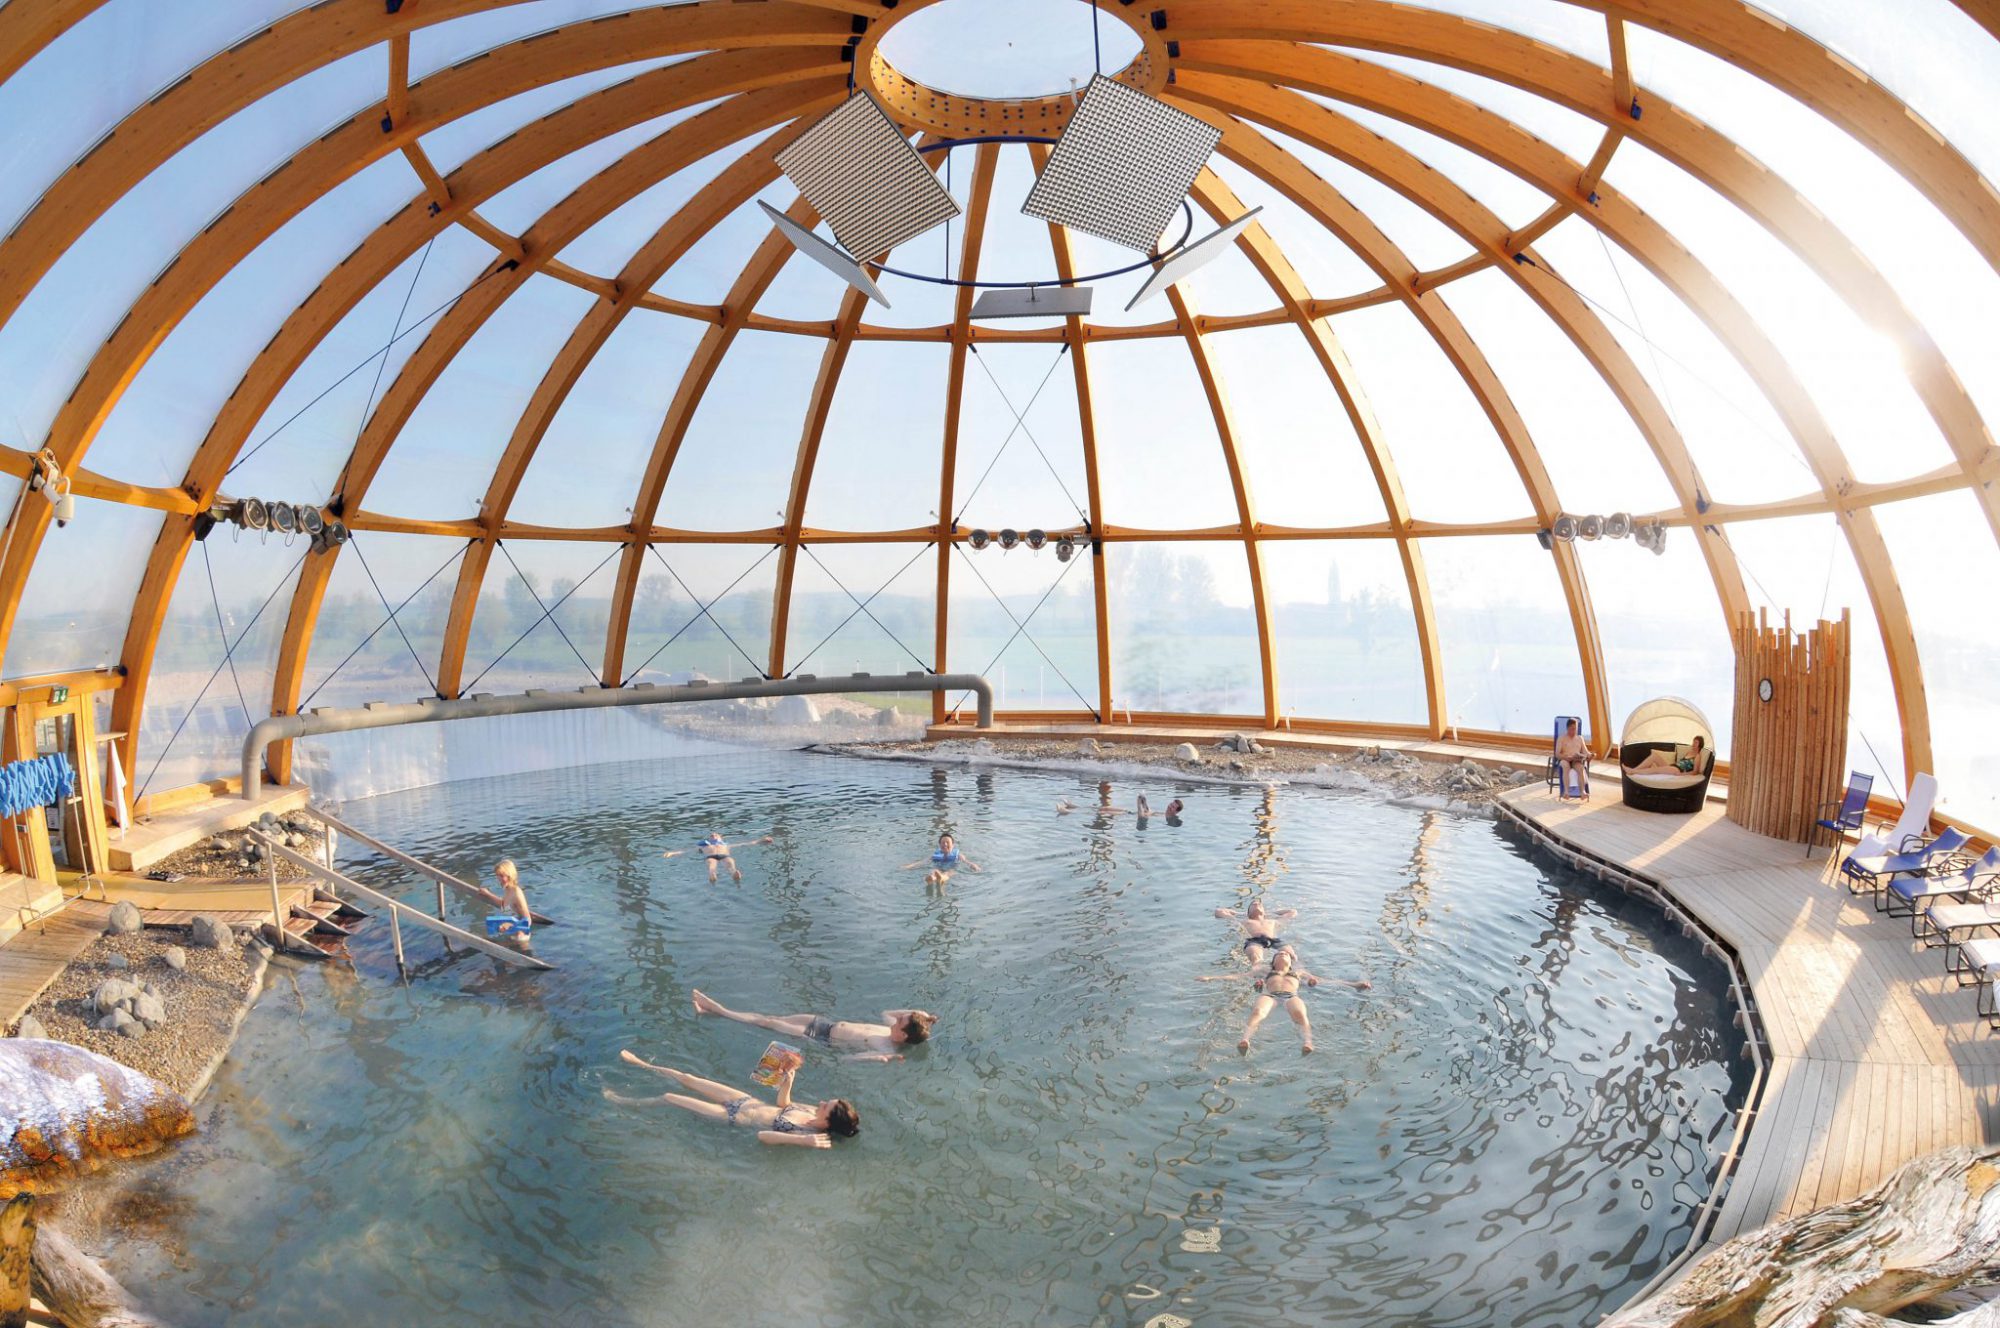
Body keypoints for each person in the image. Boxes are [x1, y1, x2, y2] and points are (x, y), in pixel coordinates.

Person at [605, 1051, 859, 1148]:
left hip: (734, 1116)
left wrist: (805, 1143)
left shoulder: (807, 1134)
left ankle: (623, 1102)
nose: (823, 1102)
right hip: (745, 1100)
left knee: (671, 1097)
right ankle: (642, 1064)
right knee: (688, 1077)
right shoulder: (809, 1110)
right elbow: (784, 1105)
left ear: (828, 1121)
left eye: (828, 1106)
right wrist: (787, 1083)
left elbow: (763, 1137)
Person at [1198, 948, 1369, 1055]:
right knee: (1258, 1012)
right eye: (1279, 953)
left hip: (1291, 996)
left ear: (1290, 961)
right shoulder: (1265, 970)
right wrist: (1211, 978)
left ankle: (1308, 1042)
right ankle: (1245, 1039)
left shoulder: (1299, 972)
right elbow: (1239, 976)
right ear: (1273, 961)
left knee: (1301, 1015)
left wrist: (1354, 984)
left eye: (1286, 954)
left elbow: (1325, 980)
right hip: (1270, 995)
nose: (1283, 954)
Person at [691, 989, 936, 1062]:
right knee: (769, 1017)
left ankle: (717, 1010)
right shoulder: (889, 1028)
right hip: (823, 1023)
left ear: (904, 1035)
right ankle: (716, 1011)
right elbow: (886, 1012)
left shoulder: (886, 1049)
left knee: (768, 1022)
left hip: (819, 1038)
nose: (899, 1018)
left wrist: (872, 1059)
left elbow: (846, 1059)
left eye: (902, 1020)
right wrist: (917, 1013)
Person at [664, 829, 773, 883]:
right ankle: (712, 875)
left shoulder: (726, 845)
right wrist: (672, 853)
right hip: (710, 857)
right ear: (709, 839)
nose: (713, 835)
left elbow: (747, 843)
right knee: (712, 864)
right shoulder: (703, 846)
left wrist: (762, 840)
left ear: (721, 838)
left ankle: (734, 873)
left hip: (724, 855)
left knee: (730, 863)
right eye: (711, 835)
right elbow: (686, 851)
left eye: (716, 834)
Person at [1215, 897, 1297, 962]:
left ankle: (1300, 972)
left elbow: (1292, 912)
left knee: (1291, 955)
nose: (1257, 905)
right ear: (1248, 912)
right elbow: (1219, 911)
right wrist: (1239, 914)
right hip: (1254, 941)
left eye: (1260, 905)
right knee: (1256, 958)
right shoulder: (1243, 921)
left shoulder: (1272, 921)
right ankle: (1258, 976)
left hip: (1273, 940)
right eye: (1254, 905)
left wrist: (1271, 913)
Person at [903, 832, 980, 887]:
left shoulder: (958, 855)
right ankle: (931, 878)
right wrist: (909, 866)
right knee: (933, 871)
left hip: (952, 867)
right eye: (943, 842)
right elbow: (923, 862)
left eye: (947, 842)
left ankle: (941, 878)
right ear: (940, 845)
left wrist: (974, 866)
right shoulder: (935, 855)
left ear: (952, 845)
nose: (945, 844)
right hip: (939, 867)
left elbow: (967, 862)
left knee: (949, 872)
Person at [1634, 734, 1706, 774]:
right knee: (1654, 756)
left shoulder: (1697, 756)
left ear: (1700, 745)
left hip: (1677, 770)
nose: (1693, 743)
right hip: (1672, 766)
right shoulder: (1689, 752)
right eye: (1693, 741)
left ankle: (1633, 771)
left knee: (1655, 770)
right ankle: (1635, 769)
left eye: (1696, 742)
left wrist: (1682, 775)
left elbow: (1695, 771)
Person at [1555, 718, 1591, 799]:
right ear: (1568, 728)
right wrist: (1567, 757)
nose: (1574, 731)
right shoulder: (1561, 738)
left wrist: (1590, 755)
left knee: (1581, 768)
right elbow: (1557, 754)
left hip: (1576, 760)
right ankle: (1566, 792)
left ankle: (1582, 792)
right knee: (1565, 766)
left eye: (1576, 729)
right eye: (1572, 729)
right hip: (1565, 759)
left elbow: (1585, 752)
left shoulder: (1580, 738)